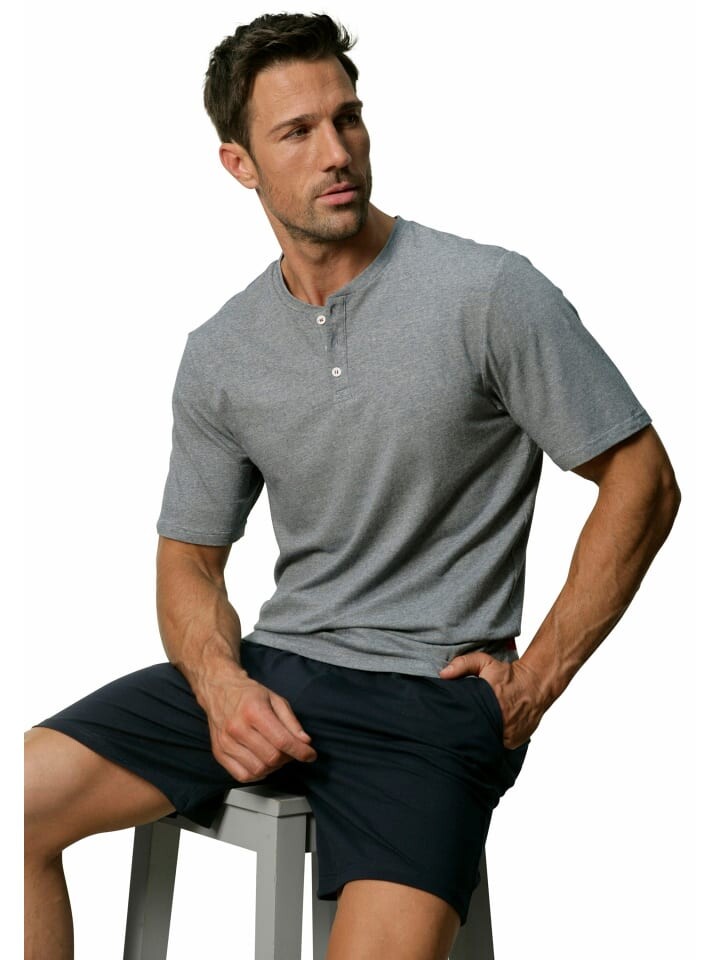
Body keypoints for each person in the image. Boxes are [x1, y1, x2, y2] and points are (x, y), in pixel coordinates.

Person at [24, 12, 681, 960]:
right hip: (277, 672)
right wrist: (221, 686)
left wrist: (535, 681)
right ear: (240, 164)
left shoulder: (488, 293)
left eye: (348, 119)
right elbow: (188, 562)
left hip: (430, 699)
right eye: (297, 132)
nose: (337, 152)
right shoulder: (222, 352)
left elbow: (641, 478)